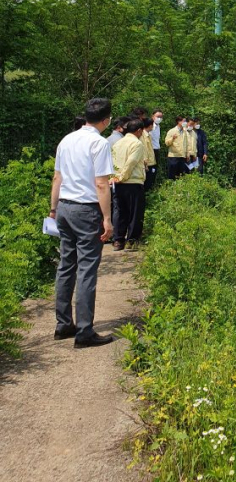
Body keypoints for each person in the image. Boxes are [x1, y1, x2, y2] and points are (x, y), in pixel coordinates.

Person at [49, 97, 114, 348]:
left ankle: (63, 324)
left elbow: (57, 178)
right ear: (106, 120)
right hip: (86, 211)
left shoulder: (67, 139)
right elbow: (101, 184)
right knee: (87, 269)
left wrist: (54, 210)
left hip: (64, 207)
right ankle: (85, 331)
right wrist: (107, 219)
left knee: (66, 265)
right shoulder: (99, 143)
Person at [111, 118, 145, 250]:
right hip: (132, 181)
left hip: (117, 182)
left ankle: (118, 240)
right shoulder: (137, 144)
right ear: (139, 130)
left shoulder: (117, 143)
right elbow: (131, 163)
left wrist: (115, 178)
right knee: (135, 213)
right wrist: (122, 177)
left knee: (120, 212)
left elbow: (112, 162)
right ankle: (132, 240)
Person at [140, 116, 157, 192]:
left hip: (151, 162)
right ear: (150, 125)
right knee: (147, 183)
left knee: (151, 182)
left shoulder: (148, 134)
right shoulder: (143, 135)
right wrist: (145, 164)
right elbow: (144, 150)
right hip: (147, 164)